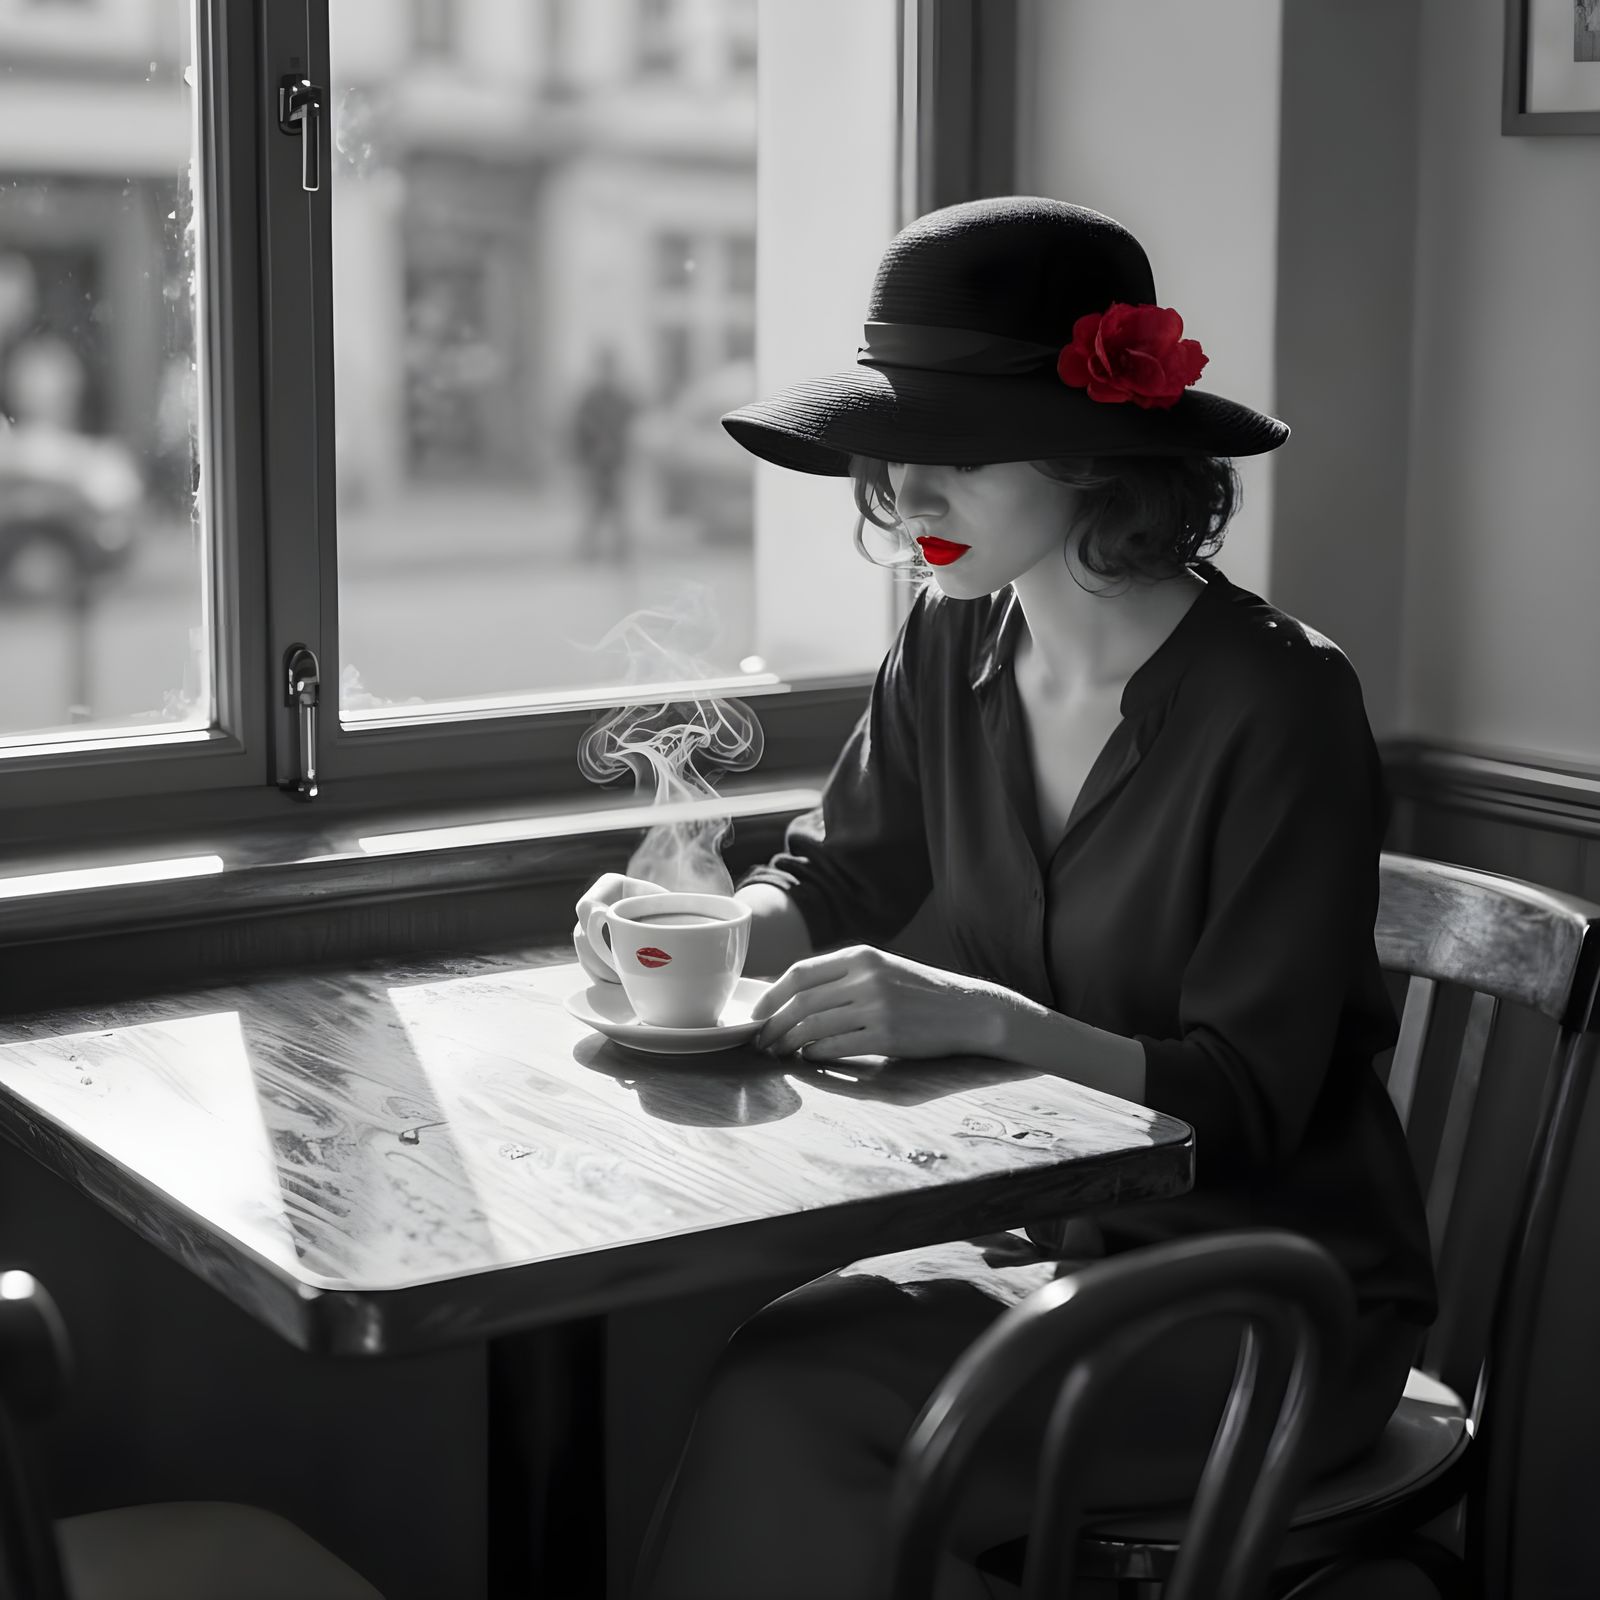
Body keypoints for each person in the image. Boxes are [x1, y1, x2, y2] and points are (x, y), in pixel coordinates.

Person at [573, 196, 1437, 1600]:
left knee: (802, 1401)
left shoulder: (1281, 703)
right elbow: (842, 874)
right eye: (894, 449)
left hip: (1272, 1301)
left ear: (1096, 450)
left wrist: (982, 1018)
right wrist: (686, 930)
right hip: (1059, 1248)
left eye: (952, 451)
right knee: (790, 1356)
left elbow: (1246, 1103)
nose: (903, 498)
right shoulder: (949, 640)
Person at [570, 346, 640, 563]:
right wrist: (588, 455)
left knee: (614, 506)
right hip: (598, 462)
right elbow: (581, 429)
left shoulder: (620, 396)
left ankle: (617, 549)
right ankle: (594, 549)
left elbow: (632, 419)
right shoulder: (592, 398)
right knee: (598, 506)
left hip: (615, 461)